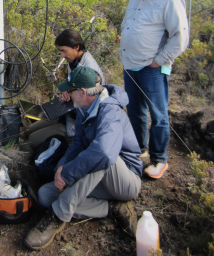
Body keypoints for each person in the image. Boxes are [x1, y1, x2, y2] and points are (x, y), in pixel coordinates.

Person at [24, 66, 142, 251]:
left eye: (70, 91)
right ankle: (111, 208)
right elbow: (78, 143)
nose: (67, 95)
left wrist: (69, 173)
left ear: (82, 91)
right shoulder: (83, 107)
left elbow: (103, 153)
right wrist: (61, 168)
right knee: (46, 196)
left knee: (100, 155)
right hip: (99, 180)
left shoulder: (110, 111)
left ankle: (57, 216)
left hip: (125, 179)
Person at [121, 0, 189, 179]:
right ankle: (139, 149)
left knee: (158, 114)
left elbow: (180, 37)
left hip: (152, 67)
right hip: (130, 64)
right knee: (134, 110)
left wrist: (158, 61)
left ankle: (159, 160)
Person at [25, 29, 105, 147]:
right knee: (29, 130)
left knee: (31, 139)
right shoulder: (74, 60)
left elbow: (89, 105)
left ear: (76, 47)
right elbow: (74, 86)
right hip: (67, 112)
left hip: (77, 124)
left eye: (64, 51)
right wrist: (68, 92)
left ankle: (68, 142)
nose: (62, 55)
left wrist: (71, 98)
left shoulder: (90, 70)